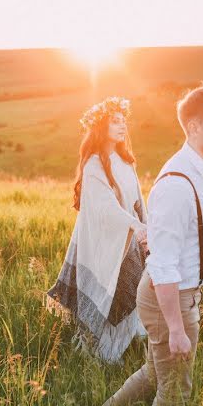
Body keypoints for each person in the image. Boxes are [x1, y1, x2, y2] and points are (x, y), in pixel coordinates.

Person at [78, 81, 203, 406]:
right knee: (175, 391)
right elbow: (163, 264)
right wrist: (177, 327)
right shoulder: (178, 184)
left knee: (154, 374)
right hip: (171, 299)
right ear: (195, 128)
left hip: (179, 295)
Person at [47, 96, 150, 364]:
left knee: (132, 289)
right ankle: (103, 357)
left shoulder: (126, 160)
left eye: (123, 121)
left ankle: (127, 347)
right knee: (112, 293)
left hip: (128, 238)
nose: (121, 126)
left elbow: (138, 199)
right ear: (100, 126)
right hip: (106, 242)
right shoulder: (94, 163)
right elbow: (105, 207)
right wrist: (135, 225)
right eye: (114, 121)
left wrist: (145, 227)